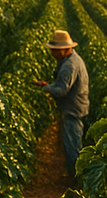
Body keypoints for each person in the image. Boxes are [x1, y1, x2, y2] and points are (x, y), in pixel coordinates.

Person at [33, 30, 90, 179]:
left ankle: (77, 180)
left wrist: (47, 88)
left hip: (73, 109)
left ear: (65, 50)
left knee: (73, 146)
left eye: (55, 51)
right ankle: (75, 176)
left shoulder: (69, 66)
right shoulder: (71, 60)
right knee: (72, 142)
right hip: (75, 107)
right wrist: (49, 85)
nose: (53, 54)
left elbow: (61, 91)